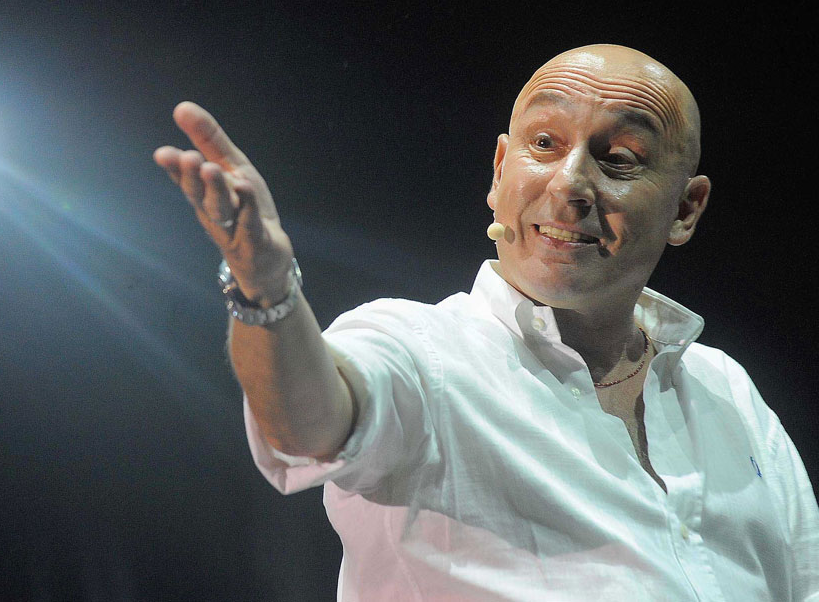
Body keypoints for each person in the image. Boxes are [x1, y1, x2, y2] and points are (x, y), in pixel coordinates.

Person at [153, 45, 818, 600]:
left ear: (686, 208)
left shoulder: (727, 392)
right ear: (500, 171)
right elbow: (308, 423)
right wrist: (266, 290)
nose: (570, 183)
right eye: (544, 143)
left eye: (618, 156)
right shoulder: (421, 353)